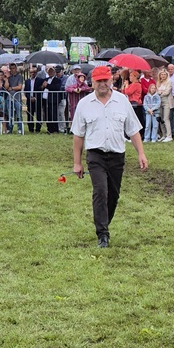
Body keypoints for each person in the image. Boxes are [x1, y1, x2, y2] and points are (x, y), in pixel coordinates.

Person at [71, 65, 148, 248]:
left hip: (116, 155)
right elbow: (78, 135)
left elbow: (133, 130)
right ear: (92, 83)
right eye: (99, 81)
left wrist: (141, 154)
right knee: (100, 192)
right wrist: (77, 163)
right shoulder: (84, 104)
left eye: (105, 80)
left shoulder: (122, 101)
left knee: (113, 195)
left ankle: (104, 221)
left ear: (111, 80)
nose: (103, 84)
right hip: (95, 155)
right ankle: (102, 234)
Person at [156, 67, 174, 142]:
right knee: (161, 118)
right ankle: (164, 134)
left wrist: (160, 93)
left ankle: (169, 135)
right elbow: (156, 90)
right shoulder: (158, 82)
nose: (163, 76)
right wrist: (159, 92)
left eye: (164, 74)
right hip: (159, 101)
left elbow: (167, 92)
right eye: (161, 74)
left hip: (166, 101)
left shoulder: (169, 81)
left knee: (166, 118)